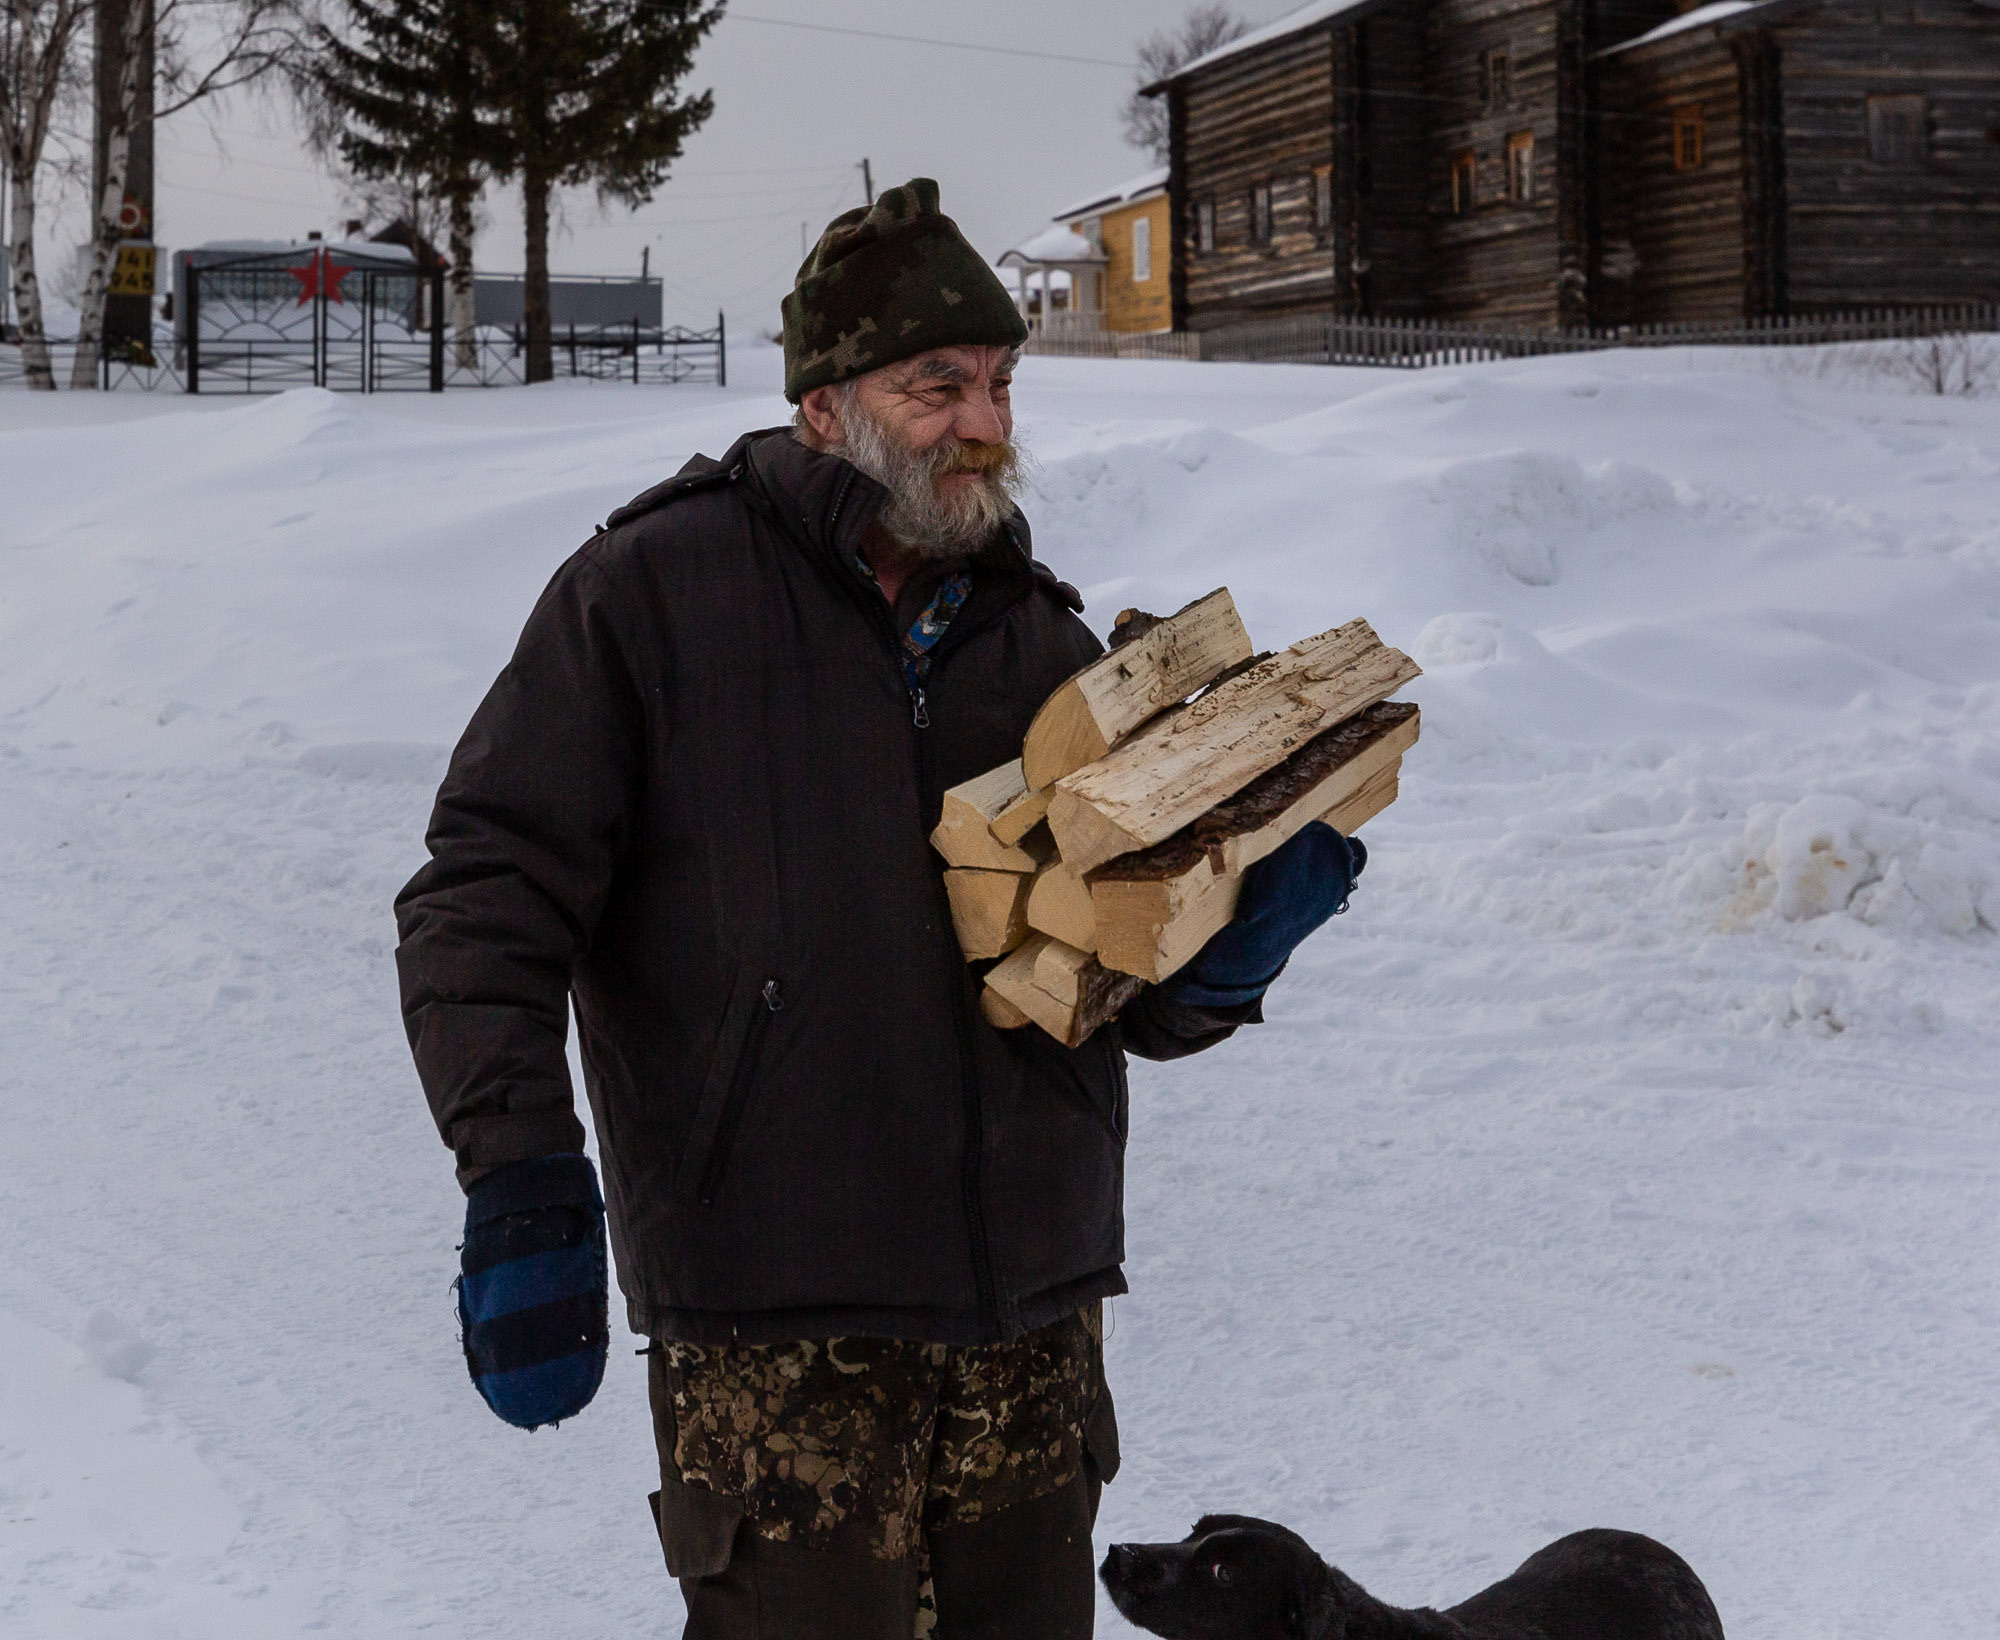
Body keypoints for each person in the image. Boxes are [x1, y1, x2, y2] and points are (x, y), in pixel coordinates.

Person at [394, 178, 1367, 1639]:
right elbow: (483, 893)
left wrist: (1222, 949)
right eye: (938, 388)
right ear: (823, 408)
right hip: (781, 1337)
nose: (984, 423)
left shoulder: (1038, 637)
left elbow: (1091, 974)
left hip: (1033, 1330)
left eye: (998, 383)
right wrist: (519, 1172)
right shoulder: (652, 598)